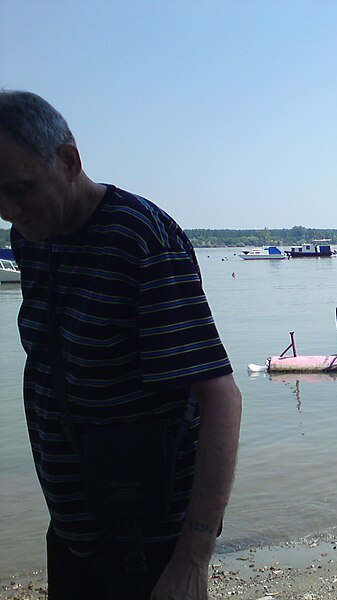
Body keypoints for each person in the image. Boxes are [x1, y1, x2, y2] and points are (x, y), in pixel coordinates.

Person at [0, 90, 243, 599]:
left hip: (147, 543)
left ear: (68, 160)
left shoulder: (142, 241)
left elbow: (220, 397)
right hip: (72, 531)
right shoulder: (32, 237)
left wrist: (193, 559)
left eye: (19, 189)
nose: (9, 210)